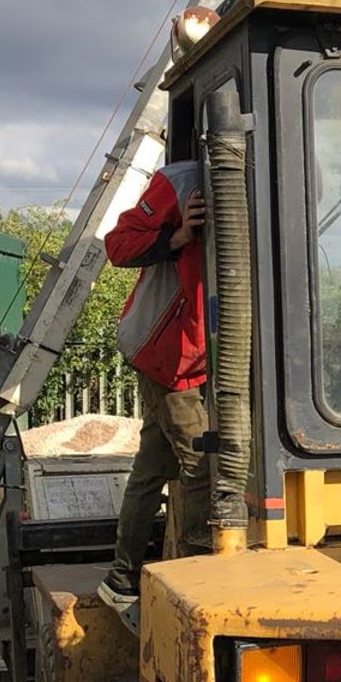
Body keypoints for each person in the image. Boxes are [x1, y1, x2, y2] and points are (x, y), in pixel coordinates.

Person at [96, 158, 211, 614]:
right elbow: (118, 246)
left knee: (152, 465)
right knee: (201, 462)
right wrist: (178, 237)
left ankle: (122, 578)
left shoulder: (268, 184)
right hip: (165, 349)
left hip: (199, 353)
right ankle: (202, 578)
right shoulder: (180, 182)